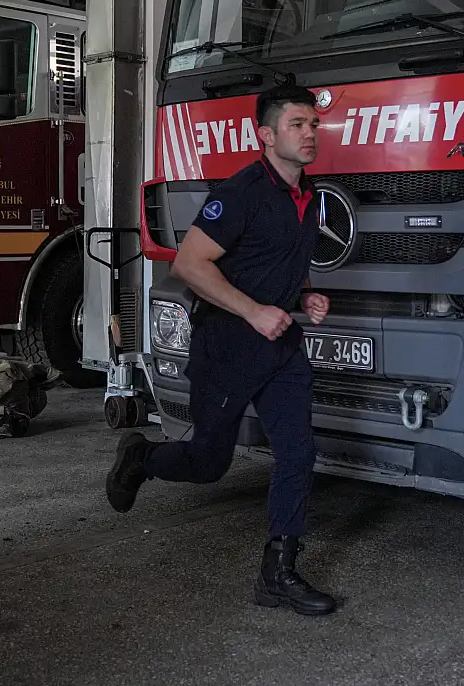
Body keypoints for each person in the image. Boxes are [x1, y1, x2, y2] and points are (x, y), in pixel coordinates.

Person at [105, 84, 336, 616]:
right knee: (208, 463)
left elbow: (279, 260)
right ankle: (141, 458)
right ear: (266, 135)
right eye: (297, 124)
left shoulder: (308, 195)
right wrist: (254, 311)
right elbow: (189, 264)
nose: (309, 134)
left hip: (280, 348)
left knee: (298, 452)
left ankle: (278, 573)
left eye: (313, 125)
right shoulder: (240, 193)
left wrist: (305, 295)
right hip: (228, 347)